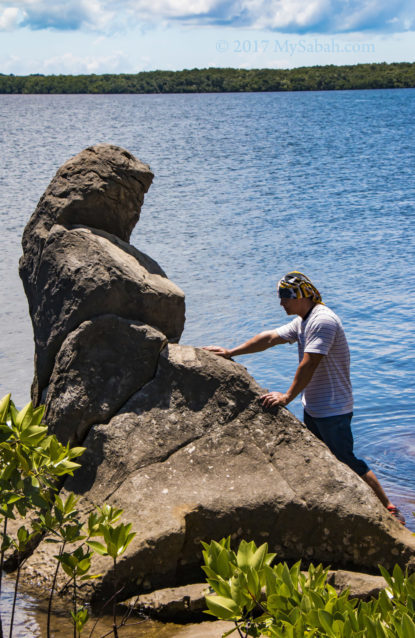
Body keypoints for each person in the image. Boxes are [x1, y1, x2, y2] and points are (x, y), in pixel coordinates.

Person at [204, 270, 405, 524]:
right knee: (325, 461)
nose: (281, 303)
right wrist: (232, 351)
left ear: (301, 295)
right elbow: (269, 338)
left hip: (334, 409)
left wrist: (287, 397)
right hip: (315, 408)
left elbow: (309, 364)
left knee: (346, 460)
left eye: (285, 297)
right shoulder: (304, 320)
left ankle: (388, 507)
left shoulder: (323, 321)